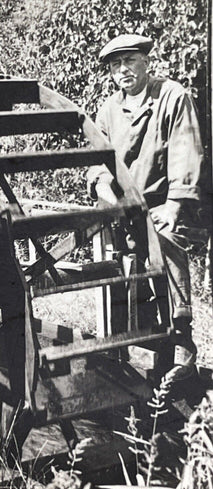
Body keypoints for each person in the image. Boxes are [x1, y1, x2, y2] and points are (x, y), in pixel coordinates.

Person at [88, 34, 204, 379]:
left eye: (130, 61)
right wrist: (100, 183)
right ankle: (124, 352)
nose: (123, 70)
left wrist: (173, 206)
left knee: (166, 249)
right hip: (125, 210)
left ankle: (182, 346)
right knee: (120, 273)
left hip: (165, 203)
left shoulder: (172, 97)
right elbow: (97, 158)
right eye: (115, 65)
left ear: (146, 62)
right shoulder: (109, 109)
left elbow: (186, 151)